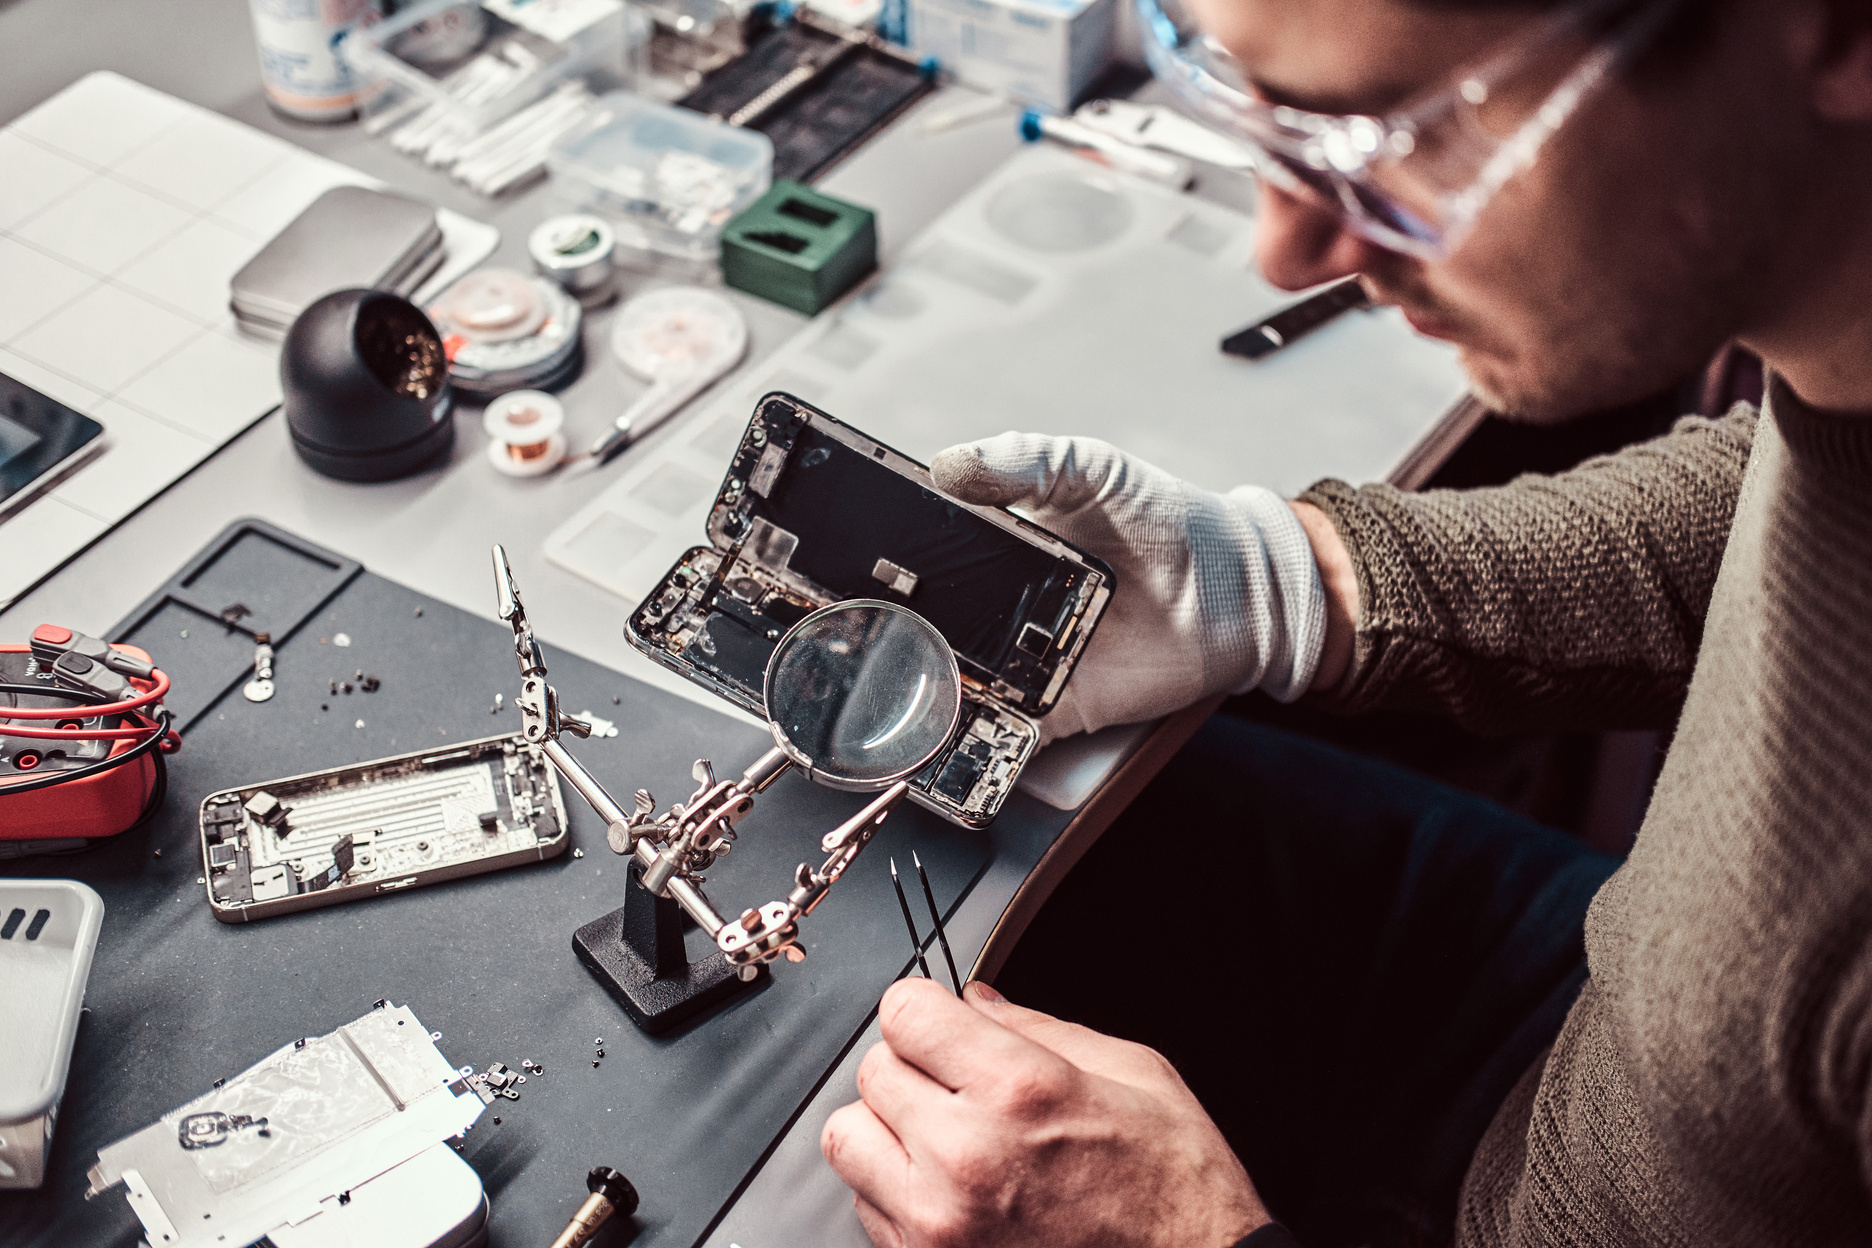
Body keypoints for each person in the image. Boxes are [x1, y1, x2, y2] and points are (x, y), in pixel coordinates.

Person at [817, 0, 1872, 1244]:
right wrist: (1284, 581)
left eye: (1374, 138)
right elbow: (1803, 487)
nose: (1290, 247)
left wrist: (1196, 1238)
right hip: (1617, 1031)